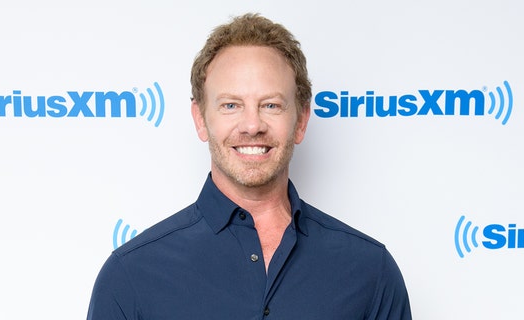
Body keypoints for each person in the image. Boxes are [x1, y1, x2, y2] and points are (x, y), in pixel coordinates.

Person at [87, 13, 411, 319]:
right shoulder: (131, 276)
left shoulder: (370, 271)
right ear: (200, 120)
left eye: (271, 105)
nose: (252, 125)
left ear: (301, 121)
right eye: (231, 105)